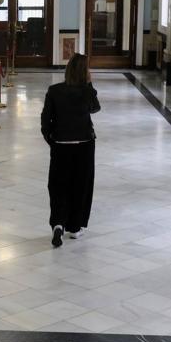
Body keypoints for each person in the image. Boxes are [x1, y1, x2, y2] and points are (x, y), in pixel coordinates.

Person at [40, 53, 100, 248]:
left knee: (58, 185)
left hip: (60, 145)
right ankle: (75, 227)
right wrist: (89, 85)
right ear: (85, 72)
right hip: (84, 144)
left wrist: (52, 140)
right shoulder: (86, 92)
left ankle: (58, 223)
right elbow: (95, 108)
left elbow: (45, 121)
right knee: (81, 185)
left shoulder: (54, 90)